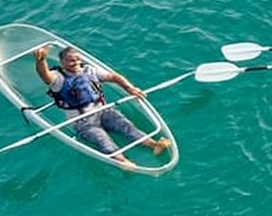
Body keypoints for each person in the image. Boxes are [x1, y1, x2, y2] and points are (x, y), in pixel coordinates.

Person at [33, 44, 171, 169]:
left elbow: (114, 77)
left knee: (127, 126)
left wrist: (130, 88)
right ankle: (124, 162)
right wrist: (41, 60)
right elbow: (44, 74)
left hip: (104, 111)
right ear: (62, 62)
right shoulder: (58, 78)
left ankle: (154, 145)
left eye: (77, 59)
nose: (75, 62)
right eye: (71, 60)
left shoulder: (89, 70)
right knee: (103, 141)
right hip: (83, 122)